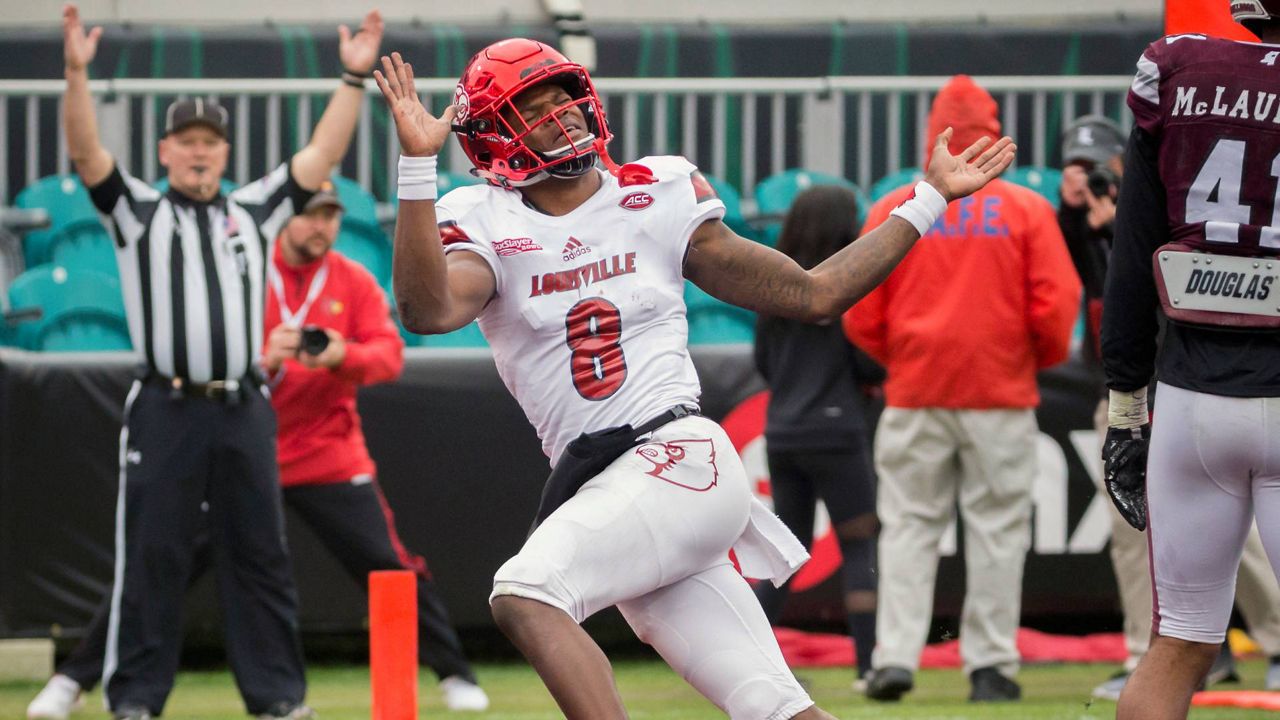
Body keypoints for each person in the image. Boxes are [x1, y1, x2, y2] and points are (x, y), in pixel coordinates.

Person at [371, 39, 1015, 719]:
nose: (561, 116)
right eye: (533, 108)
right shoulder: (484, 220)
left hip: (675, 456)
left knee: (526, 592)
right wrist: (417, 166)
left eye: (563, 96)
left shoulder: (653, 193)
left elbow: (814, 294)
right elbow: (427, 308)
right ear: (494, 136)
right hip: (605, 482)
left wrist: (928, 199)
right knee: (775, 707)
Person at [26, 186, 490, 720]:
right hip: (239, 449)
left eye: (331, 218)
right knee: (159, 562)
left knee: (388, 563)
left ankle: (455, 672)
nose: (321, 227)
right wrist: (263, 359)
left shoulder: (353, 279)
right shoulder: (239, 269)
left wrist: (341, 354)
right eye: (311, 216)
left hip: (326, 452)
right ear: (283, 220)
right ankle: (72, 678)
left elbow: (387, 359)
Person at [57, 4, 380, 719]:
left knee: (261, 557)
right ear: (165, 150)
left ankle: (278, 700)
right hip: (167, 405)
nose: (199, 151)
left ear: (225, 153)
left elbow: (320, 160)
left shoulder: (254, 211)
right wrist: (76, 74)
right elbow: (86, 157)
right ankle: (135, 700)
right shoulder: (138, 212)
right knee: (155, 557)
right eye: (186, 140)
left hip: (241, 404)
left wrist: (352, 78)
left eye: (210, 141)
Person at [843, 75, 1081, 704]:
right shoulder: (1028, 210)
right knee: (998, 530)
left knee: (908, 529)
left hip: (916, 392)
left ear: (935, 132)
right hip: (999, 395)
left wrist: (906, 358)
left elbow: (859, 308)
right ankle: (992, 667)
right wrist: (1028, 361)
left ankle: (894, 658)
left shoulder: (897, 205)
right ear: (994, 129)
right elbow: (1057, 306)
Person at [1057, 115, 1280, 701]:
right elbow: (1104, 290)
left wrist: (1120, 225)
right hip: (1144, 385)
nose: (1094, 179)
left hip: (1187, 379)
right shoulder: (1083, 220)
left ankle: (1273, 642)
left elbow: (1163, 281)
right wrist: (1089, 225)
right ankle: (1152, 649)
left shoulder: (1176, 191)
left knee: (1246, 534)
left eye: (1101, 165)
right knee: (1133, 533)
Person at [1102, 4, 1280, 718]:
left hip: (1192, 401)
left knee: (1177, 644)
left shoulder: (1178, 73)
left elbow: (1132, 257)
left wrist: (1124, 407)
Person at [750, 185, 883, 689]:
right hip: (837, 432)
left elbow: (764, 363)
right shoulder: (846, 288)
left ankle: (745, 657)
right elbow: (867, 360)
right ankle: (869, 667)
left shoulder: (770, 287)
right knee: (859, 545)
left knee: (788, 554)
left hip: (783, 432)